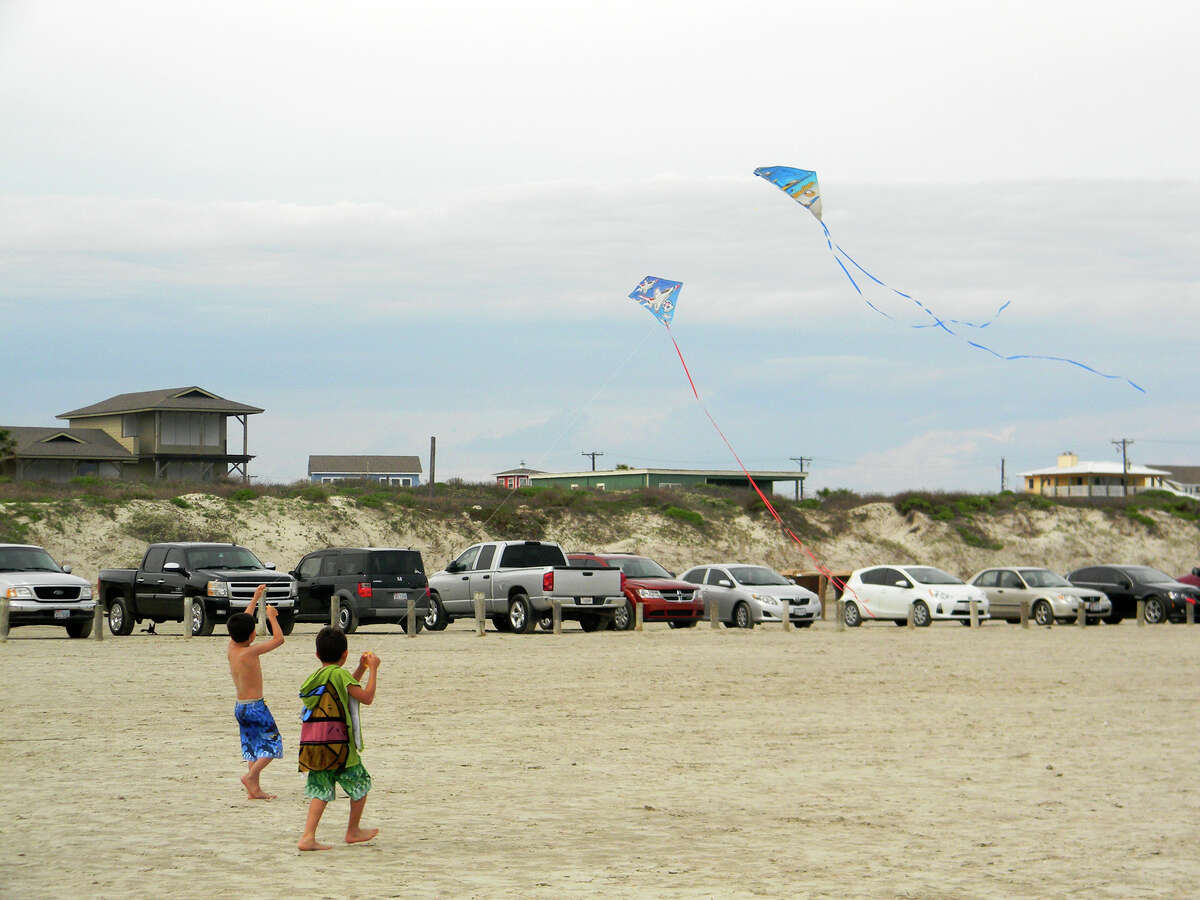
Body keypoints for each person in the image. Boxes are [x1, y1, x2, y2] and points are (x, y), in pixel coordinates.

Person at [297, 627, 380, 851]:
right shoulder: (339, 675)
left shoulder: (315, 677)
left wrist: (360, 669)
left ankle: (307, 836)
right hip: (340, 746)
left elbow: (344, 687)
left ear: (317, 655)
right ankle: (352, 830)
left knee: (320, 790)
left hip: (316, 745)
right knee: (361, 784)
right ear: (345, 654)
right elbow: (366, 697)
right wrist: (372, 669)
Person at [227, 585, 285, 800]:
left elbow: (244, 619)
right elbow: (279, 640)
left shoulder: (232, 647)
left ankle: (254, 789)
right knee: (272, 745)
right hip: (255, 707)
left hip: (240, 707)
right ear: (252, 634)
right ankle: (251, 776)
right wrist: (271, 617)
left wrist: (255, 598)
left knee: (252, 747)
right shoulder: (251, 651)